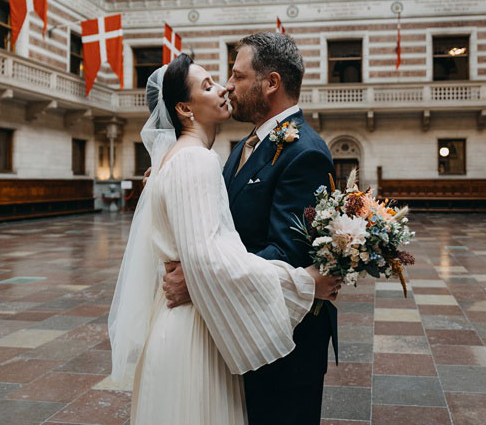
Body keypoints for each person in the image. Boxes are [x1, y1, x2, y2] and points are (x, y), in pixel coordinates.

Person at [107, 54, 341, 424]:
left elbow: (242, 250)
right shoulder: (198, 158)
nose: (226, 86)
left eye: (234, 76)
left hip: (233, 329)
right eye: (211, 83)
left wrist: (197, 276)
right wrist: (304, 284)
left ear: (271, 83)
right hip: (200, 330)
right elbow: (210, 257)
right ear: (184, 108)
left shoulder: (204, 156)